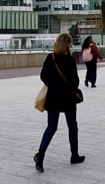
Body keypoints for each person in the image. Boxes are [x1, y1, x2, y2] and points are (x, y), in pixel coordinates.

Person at [34, 33, 85, 173]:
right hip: (68, 98)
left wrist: (53, 84)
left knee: (51, 127)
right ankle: (74, 155)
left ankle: (40, 154)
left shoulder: (50, 58)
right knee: (72, 126)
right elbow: (75, 82)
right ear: (67, 45)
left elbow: (43, 76)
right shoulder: (69, 60)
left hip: (52, 98)